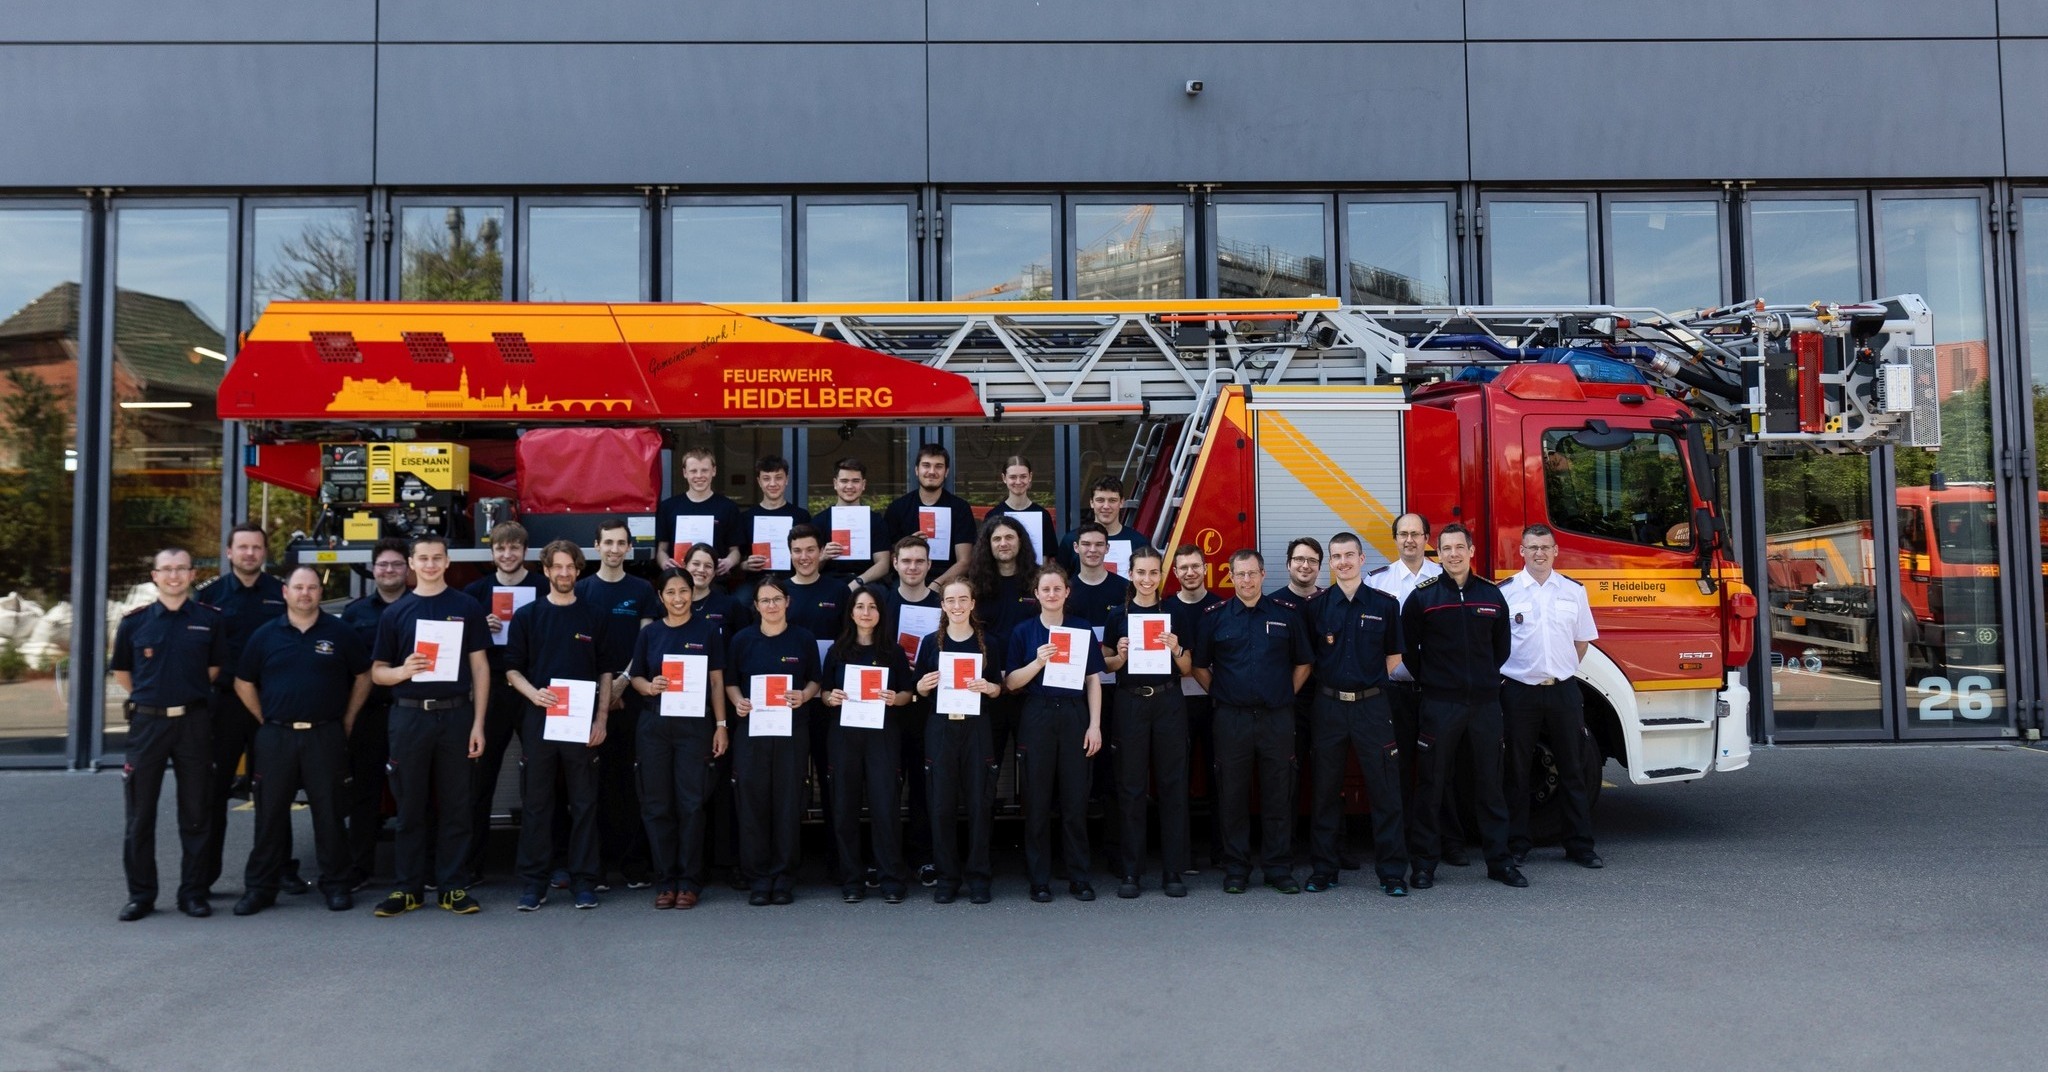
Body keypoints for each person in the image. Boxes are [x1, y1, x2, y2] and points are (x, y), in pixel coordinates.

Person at [230, 564, 373, 915]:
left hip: (325, 735)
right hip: (276, 738)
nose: (305, 593)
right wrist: (266, 719)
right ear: (285, 592)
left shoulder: (340, 632)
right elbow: (242, 681)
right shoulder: (265, 635)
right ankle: (260, 888)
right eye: (298, 587)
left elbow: (364, 675)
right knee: (270, 817)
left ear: (320, 593)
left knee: (329, 815)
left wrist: (348, 719)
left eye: (311, 588)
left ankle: (336, 885)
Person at [369, 534, 491, 916]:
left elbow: (480, 668)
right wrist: (402, 670)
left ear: (448, 562)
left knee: (457, 804)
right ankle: (408, 888)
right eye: (423, 558)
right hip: (408, 717)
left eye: (437, 558)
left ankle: (453, 886)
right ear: (412, 563)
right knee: (410, 806)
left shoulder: (466, 606)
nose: (431, 564)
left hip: (455, 715)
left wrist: (479, 724)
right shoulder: (395, 613)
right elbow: (376, 673)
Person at [1399, 523, 1523, 889]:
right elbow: (1410, 651)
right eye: (1446, 548)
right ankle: (1424, 864)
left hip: (1485, 705)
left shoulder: (1491, 595)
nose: (1453, 554)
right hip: (1440, 704)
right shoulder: (1423, 598)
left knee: (1490, 785)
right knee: (1432, 785)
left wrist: (1482, 681)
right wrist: (1435, 682)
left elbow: (1501, 649)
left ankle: (1499, 862)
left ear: (1471, 550)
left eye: (1459, 547)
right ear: (1438, 553)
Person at [112, 546, 227, 920]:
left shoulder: (210, 620)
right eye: (167, 570)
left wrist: (181, 697)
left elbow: (213, 669)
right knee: (140, 814)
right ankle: (141, 896)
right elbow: (124, 674)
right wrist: (154, 700)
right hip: (148, 724)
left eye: (182, 569)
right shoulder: (134, 622)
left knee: (195, 812)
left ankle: (193, 893)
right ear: (155, 577)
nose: (174, 576)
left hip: (193, 722)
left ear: (193, 575)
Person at [1191, 549, 1311, 895]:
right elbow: (1200, 666)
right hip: (1231, 719)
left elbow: (1304, 662)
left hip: (1276, 717)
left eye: (1252, 573)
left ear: (1262, 575)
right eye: (1239, 574)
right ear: (1231, 577)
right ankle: (1236, 869)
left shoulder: (1286, 615)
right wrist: (1222, 693)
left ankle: (1278, 868)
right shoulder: (1215, 616)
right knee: (1233, 796)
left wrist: (1285, 694)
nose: (1246, 580)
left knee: (1278, 794)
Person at [506, 540, 614, 911]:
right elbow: (511, 669)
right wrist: (533, 694)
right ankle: (534, 883)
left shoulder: (594, 615)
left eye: (571, 567)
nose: (565, 573)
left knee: (584, 803)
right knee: (537, 803)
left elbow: (605, 672)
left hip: (583, 722)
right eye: (558, 567)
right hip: (540, 719)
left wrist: (601, 718)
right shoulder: (528, 616)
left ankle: (584, 880)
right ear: (547, 571)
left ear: (578, 571)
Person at [1301, 532, 1409, 897]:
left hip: (1372, 705)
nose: (1343, 562)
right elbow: (1310, 659)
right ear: (1330, 563)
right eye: (1336, 556)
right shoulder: (1317, 607)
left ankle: (1392, 873)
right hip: (1329, 706)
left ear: (1362, 559)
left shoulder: (1385, 604)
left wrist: (1366, 683)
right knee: (1326, 791)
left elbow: (1394, 656)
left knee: (1385, 790)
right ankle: (1324, 869)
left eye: (1350, 555)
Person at [194, 522, 293, 899]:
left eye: (256, 548)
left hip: (272, 704)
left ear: (264, 553)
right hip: (224, 707)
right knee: (213, 792)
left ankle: (279, 870)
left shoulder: (279, 593)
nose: (250, 554)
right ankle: (203, 877)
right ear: (229, 553)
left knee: (274, 791)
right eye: (243, 547)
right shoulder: (209, 596)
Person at [1497, 524, 1603, 870]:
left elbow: (1582, 641)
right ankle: (1517, 844)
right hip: (1519, 693)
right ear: (1522, 552)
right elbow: (1496, 645)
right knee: (1516, 772)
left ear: (1556, 551)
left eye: (1545, 547)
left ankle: (1580, 846)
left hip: (1562, 692)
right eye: (1532, 547)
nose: (1539, 553)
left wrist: (1559, 669)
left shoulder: (1573, 592)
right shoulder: (1506, 593)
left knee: (1573, 768)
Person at [1368, 513, 1468, 867]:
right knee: (1399, 768)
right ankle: (1408, 840)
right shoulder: (1377, 581)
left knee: (1444, 768)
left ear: (1427, 538)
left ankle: (1451, 841)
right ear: (1394, 539)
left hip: (1438, 690)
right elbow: (1371, 637)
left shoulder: (1447, 580)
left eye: (1416, 534)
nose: (1409, 540)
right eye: (1403, 534)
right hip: (1396, 692)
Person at [627, 566, 729, 909]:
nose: (677, 598)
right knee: (657, 806)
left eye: (683, 591)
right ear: (661, 597)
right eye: (670, 592)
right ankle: (665, 880)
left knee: (691, 804)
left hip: (694, 727)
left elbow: (716, 682)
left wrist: (721, 724)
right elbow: (636, 678)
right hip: (655, 726)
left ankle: (689, 881)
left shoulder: (708, 630)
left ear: (693, 593)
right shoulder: (650, 634)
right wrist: (648, 685)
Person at [1003, 562, 1105, 903]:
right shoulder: (1023, 631)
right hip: (1037, 716)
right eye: (1045, 589)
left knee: (1075, 801)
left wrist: (1094, 724)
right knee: (1037, 801)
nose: (1051, 594)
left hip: (1074, 714)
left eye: (1057, 589)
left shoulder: (1080, 628)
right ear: (1036, 594)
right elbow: (1010, 684)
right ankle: (1040, 879)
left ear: (1066, 592)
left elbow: (1093, 679)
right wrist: (1037, 663)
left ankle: (1079, 877)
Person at [1099, 546, 1192, 898]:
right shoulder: (1117, 617)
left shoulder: (1175, 613)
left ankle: (1173, 872)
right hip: (1130, 703)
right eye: (1141, 573)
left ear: (1161, 575)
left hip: (1168, 700)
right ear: (1131, 574)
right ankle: (1131, 872)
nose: (1148, 579)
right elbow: (1105, 666)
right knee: (1131, 787)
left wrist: (1175, 650)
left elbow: (1186, 669)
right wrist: (1120, 656)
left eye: (1154, 573)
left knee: (1172, 786)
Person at [725, 576, 823, 905]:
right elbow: (730, 682)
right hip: (751, 733)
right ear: (755, 606)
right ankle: (758, 877)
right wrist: (738, 700)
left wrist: (804, 694)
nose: (771, 606)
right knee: (753, 804)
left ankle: (783, 876)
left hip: (792, 732)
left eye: (777, 599)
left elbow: (816, 681)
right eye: (765, 600)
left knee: (787, 802)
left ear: (787, 602)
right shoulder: (741, 640)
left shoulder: (803, 639)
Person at [576, 517, 659, 891]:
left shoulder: (642, 589)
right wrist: (600, 695)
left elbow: (644, 645)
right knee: (591, 784)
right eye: (607, 542)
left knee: (630, 782)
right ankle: (595, 867)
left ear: (629, 548)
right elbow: (578, 647)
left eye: (620, 543)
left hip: (631, 698)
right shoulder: (580, 590)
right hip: (589, 701)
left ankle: (633, 864)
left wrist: (621, 685)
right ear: (596, 546)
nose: (613, 549)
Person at [459, 521, 544, 885]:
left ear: (525, 551)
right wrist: (479, 628)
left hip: (531, 689)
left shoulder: (542, 587)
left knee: (541, 782)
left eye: (514, 548)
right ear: (492, 552)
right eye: (500, 549)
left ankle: (540, 866)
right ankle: (470, 865)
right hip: (490, 690)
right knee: (479, 781)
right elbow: (454, 645)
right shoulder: (475, 593)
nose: (507, 555)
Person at [820, 585, 917, 903]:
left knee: (885, 807)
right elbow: (824, 692)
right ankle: (852, 879)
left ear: (880, 613)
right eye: (860, 607)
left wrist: (895, 698)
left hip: (882, 736)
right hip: (845, 735)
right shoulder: (837, 651)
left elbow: (908, 693)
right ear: (850, 613)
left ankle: (891, 878)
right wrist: (830, 697)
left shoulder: (893, 651)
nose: (865, 613)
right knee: (845, 807)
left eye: (872, 607)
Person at [911, 578, 1004, 904]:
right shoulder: (929, 643)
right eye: (951, 600)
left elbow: (999, 688)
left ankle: (979, 878)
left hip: (976, 728)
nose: (957, 605)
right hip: (941, 729)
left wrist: (989, 688)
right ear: (943, 605)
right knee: (941, 806)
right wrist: (922, 685)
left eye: (963, 599)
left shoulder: (988, 643)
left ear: (972, 603)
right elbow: (917, 691)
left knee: (979, 804)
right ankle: (947, 877)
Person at [340, 537, 410, 889]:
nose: (389, 570)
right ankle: (359, 867)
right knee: (365, 794)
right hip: (370, 714)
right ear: (373, 569)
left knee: (414, 793)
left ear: (407, 568)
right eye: (383, 564)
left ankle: (417, 869)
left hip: (412, 714)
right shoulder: (355, 614)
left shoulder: (422, 607)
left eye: (396, 564)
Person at [781, 524, 845, 873]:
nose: (804, 557)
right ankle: (787, 861)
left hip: (827, 702)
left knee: (830, 780)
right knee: (787, 784)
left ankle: (837, 860)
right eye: (797, 551)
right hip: (785, 703)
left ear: (821, 552)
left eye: (810, 550)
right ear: (789, 554)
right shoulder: (779, 592)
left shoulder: (838, 591)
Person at [965, 515, 1039, 813]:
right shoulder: (976, 585)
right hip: (988, 690)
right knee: (986, 767)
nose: (1003, 543)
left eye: (1009, 537)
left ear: (1020, 542)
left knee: (1035, 768)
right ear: (987, 545)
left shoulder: (1037, 580)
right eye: (996, 539)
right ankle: (982, 845)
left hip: (1031, 688)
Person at [1066, 522, 1130, 864]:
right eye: (1086, 544)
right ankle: (1075, 856)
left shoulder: (1124, 591)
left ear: (1108, 550)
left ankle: (1114, 852)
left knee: (1113, 776)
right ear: (1075, 548)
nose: (1092, 550)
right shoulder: (1065, 590)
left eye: (1099, 544)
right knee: (1076, 777)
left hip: (1116, 693)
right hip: (1075, 696)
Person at [884, 536, 943, 886]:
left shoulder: (942, 605)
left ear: (928, 565)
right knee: (887, 786)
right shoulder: (880, 602)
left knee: (924, 787)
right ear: (894, 563)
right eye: (906, 561)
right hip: (888, 708)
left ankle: (923, 857)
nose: (912, 567)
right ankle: (887, 859)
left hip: (928, 712)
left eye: (919, 561)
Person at [1170, 543, 1223, 869]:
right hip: (1176, 705)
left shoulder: (1221, 608)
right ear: (1174, 573)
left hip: (1215, 704)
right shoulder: (1164, 610)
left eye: (1195, 566)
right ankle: (1183, 854)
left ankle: (1221, 852)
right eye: (1183, 568)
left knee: (1221, 779)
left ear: (1205, 569)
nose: (1190, 572)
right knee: (1179, 780)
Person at [883, 443, 976, 587]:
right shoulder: (898, 508)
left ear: (946, 471)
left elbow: (965, 561)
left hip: (947, 583)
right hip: (906, 582)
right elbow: (888, 558)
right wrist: (908, 544)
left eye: (938, 466)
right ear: (916, 470)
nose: (932, 471)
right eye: (926, 465)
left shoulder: (960, 508)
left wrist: (937, 584)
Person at [656, 446, 741, 575]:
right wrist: (664, 563)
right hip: (678, 578)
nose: (699, 476)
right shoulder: (668, 507)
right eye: (693, 471)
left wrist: (729, 562)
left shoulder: (728, 507)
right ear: (685, 473)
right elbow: (662, 549)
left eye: (704, 470)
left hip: (715, 580)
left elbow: (735, 550)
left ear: (714, 471)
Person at [820, 457, 891, 589]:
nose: (850, 486)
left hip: (867, 584)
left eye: (855, 481)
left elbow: (883, 564)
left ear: (863, 485)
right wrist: (823, 557)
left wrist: (858, 582)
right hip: (829, 585)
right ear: (835, 483)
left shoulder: (876, 520)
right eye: (844, 481)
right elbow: (807, 567)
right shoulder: (819, 521)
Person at [739, 454, 812, 579]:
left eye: (778, 478)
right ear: (759, 482)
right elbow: (737, 558)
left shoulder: (801, 516)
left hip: (792, 580)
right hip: (755, 581)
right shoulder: (746, 517)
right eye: (766, 478)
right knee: (740, 599)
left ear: (787, 480)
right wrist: (745, 565)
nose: (773, 484)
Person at [1058, 477, 1147, 573]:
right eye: (1100, 500)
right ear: (1092, 502)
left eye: (1112, 500)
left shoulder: (1139, 542)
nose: (1106, 506)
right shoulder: (1071, 540)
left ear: (1121, 502)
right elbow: (1060, 580)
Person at [980, 455, 1053, 562]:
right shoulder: (993, 515)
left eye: (1023, 476)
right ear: (1004, 478)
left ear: (1030, 477)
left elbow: (1045, 556)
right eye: (1013, 477)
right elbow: (986, 554)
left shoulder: (1043, 514)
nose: (1018, 482)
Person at [682, 542, 751, 640]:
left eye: (708, 566)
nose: (701, 570)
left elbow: (744, 643)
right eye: (696, 564)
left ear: (714, 572)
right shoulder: (672, 604)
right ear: (684, 566)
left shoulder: (731, 605)